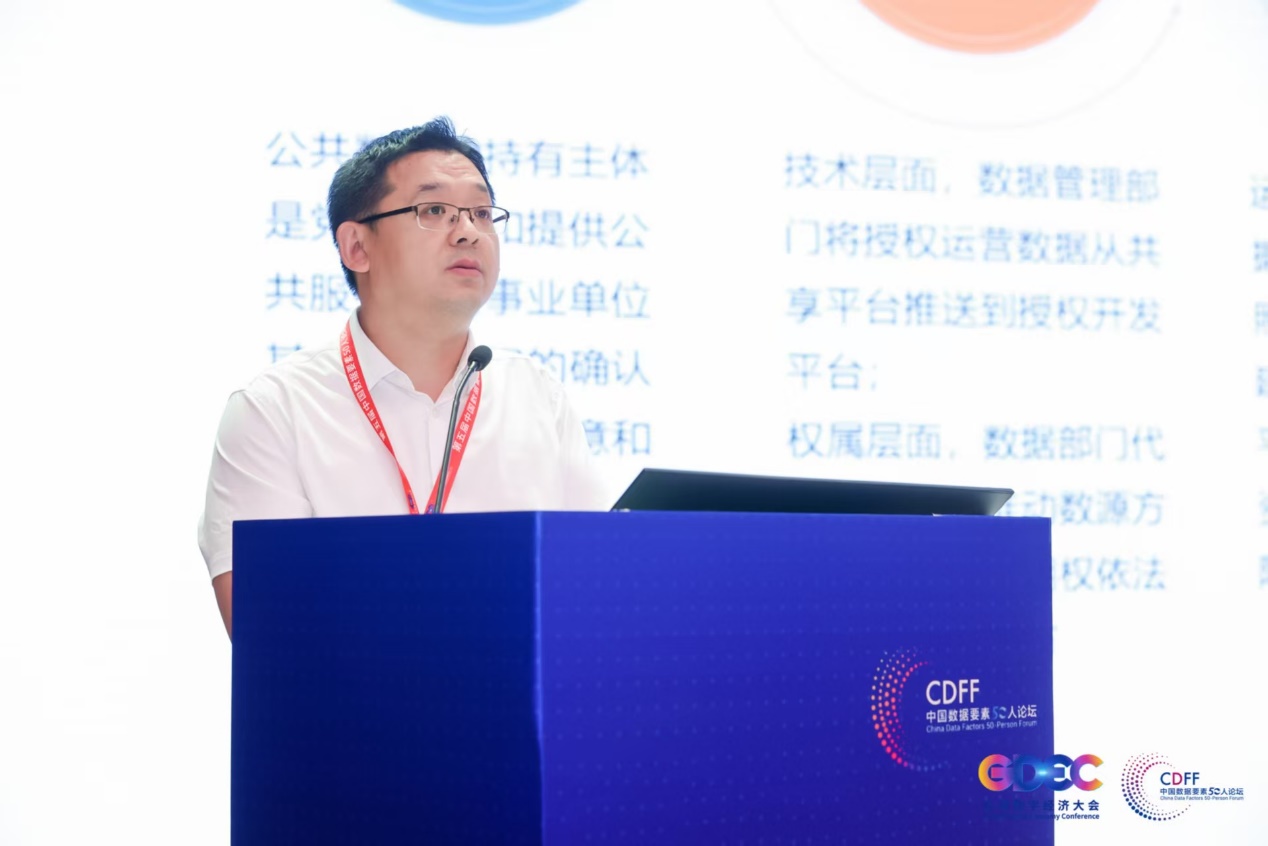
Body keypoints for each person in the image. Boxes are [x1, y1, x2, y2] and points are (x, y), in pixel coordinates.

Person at [198, 117, 610, 638]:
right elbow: (271, 639)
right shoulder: (274, 411)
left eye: (482, 213)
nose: (468, 231)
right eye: (434, 210)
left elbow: (598, 591)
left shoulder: (537, 397)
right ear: (356, 247)